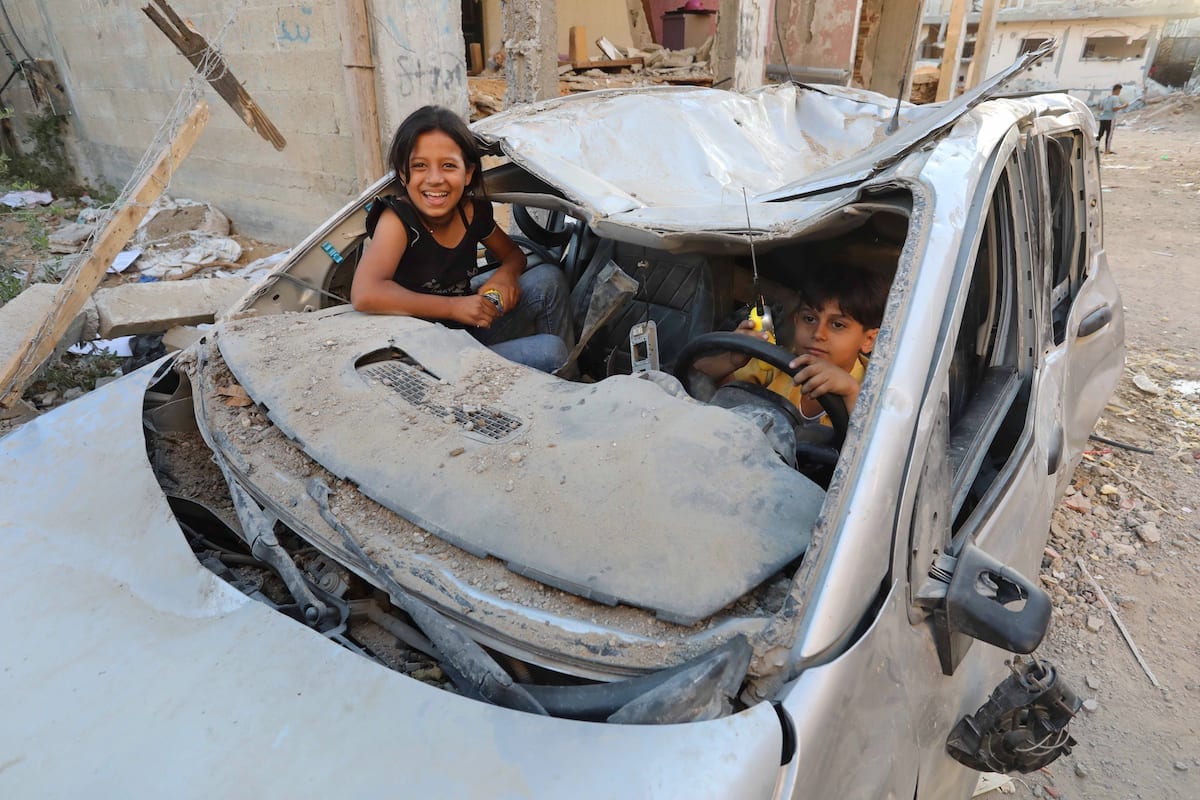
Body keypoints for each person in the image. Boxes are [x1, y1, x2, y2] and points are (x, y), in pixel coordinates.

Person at [351, 105, 573, 372]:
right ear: (402, 172)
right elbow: (365, 293)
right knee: (551, 351)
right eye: (419, 166)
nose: (435, 179)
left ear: (467, 174)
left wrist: (505, 276)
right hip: (426, 356)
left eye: (448, 166)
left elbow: (513, 255)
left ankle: (567, 375)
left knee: (549, 277)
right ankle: (558, 386)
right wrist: (453, 307)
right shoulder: (398, 220)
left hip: (466, 329)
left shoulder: (471, 212)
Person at [697, 262, 889, 425]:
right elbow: (692, 376)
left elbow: (880, 451)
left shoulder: (878, 389)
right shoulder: (778, 363)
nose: (818, 334)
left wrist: (851, 392)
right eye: (810, 319)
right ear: (796, 320)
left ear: (869, 340)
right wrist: (730, 360)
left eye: (837, 324)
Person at [1095, 84, 1128, 155]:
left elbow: (1100, 108)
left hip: (1103, 118)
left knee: (1100, 134)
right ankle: (1107, 150)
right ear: (1118, 90)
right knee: (1109, 135)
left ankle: (1095, 148)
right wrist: (1123, 106)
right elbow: (1114, 108)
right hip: (1110, 118)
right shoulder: (1115, 98)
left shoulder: (1105, 98)